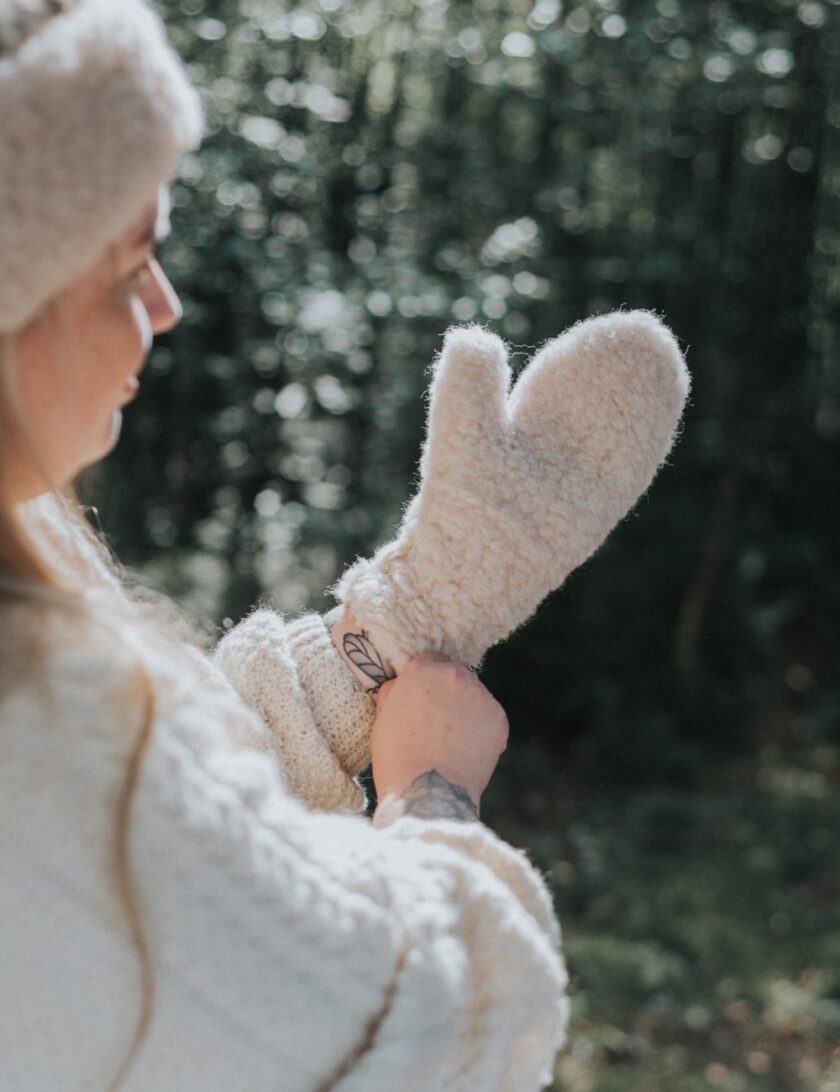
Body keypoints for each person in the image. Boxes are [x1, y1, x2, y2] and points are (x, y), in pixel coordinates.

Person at [0, 2, 569, 1090]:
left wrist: (385, 630)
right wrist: (434, 795)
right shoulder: (38, 724)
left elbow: (187, 839)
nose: (164, 309)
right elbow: (413, 1036)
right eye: (127, 268)